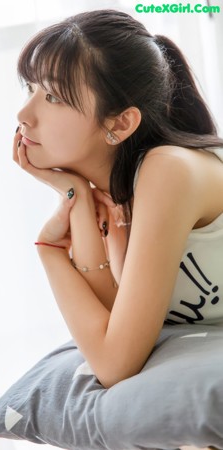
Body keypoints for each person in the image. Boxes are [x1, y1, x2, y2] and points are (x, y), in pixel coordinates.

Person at [12, 9, 223, 389]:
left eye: (53, 96)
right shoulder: (114, 198)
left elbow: (115, 363)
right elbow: (110, 333)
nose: (24, 114)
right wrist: (74, 198)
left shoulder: (167, 171)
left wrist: (50, 250)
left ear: (120, 123)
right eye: (30, 89)